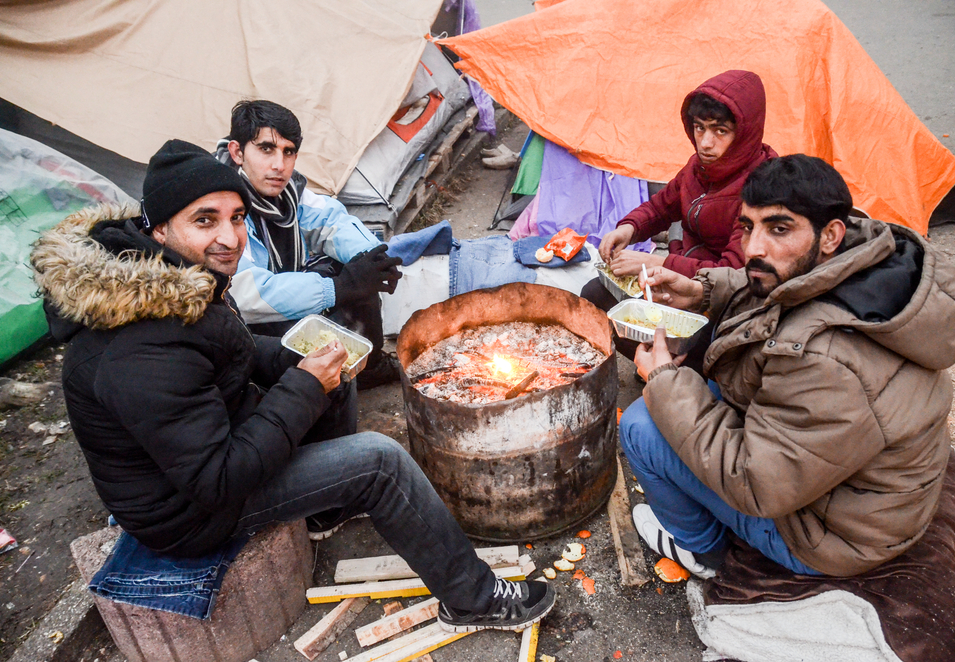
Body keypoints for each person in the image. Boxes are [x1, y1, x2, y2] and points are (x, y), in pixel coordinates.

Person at [30, 140, 555, 632]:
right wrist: (302, 386)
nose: (229, 238)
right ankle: (474, 600)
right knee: (380, 460)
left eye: (237, 218)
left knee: (328, 361)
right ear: (160, 229)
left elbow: (226, 351)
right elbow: (218, 479)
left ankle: (323, 511)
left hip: (215, 444)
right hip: (189, 513)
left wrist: (296, 359)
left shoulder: (173, 279)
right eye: (204, 220)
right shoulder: (136, 347)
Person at [620, 154, 955, 579]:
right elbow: (778, 289)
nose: (753, 249)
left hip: (831, 537)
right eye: (748, 226)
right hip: (862, 492)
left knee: (641, 424)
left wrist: (662, 381)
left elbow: (755, 485)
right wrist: (700, 290)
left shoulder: (826, 361)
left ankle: (701, 550)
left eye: (779, 228)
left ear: (830, 235)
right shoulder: (861, 255)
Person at [582, 70, 777, 361]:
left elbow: (733, 271)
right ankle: (654, 367)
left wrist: (657, 262)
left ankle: (677, 377)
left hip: (725, 304)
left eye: (720, 131)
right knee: (595, 295)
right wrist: (628, 229)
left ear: (745, 132)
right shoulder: (697, 167)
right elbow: (662, 206)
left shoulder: (762, 189)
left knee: (693, 345)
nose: (706, 143)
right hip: (681, 273)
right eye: (699, 128)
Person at [215, 100, 403, 390]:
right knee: (345, 288)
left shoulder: (288, 193)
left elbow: (329, 220)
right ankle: (310, 390)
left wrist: (373, 258)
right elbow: (247, 292)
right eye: (266, 149)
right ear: (237, 152)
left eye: (288, 152)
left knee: (359, 271)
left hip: (282, 289)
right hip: (242, 321)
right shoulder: (223, 208)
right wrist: (337, 289)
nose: (279, 165)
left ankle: (368, 366)